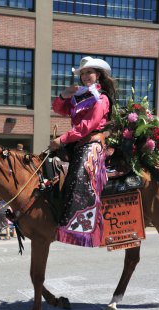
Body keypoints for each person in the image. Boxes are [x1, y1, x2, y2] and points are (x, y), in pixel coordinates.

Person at [49, 56, 116, 247]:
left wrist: (62, 139)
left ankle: (79, 227)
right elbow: (59, 109)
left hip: (91, 143)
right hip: (75, 142)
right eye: (83, 73)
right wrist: (64, 94)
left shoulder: (101, 98)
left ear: (99, 76)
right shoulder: (80, 96)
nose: (85, 76)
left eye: (89, 72)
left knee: (79, 175)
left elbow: (88, 126)